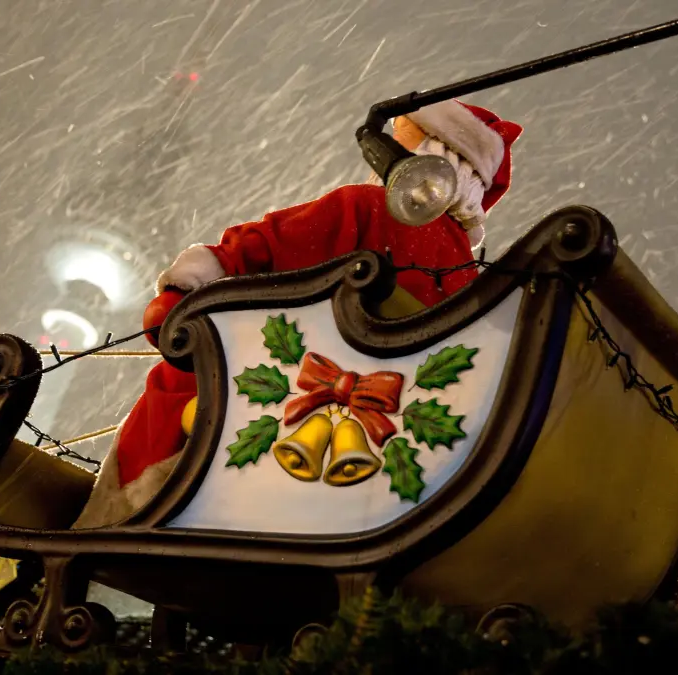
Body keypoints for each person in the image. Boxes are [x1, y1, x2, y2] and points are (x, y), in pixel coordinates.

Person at [72, 99, 523, 529]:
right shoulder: (470, 276)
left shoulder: (366, 207)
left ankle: (116, 512)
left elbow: (261, 250)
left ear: (428, 157)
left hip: (285, 400)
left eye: (399, 142)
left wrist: (182, 292)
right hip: (390, 437)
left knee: (183, 378)